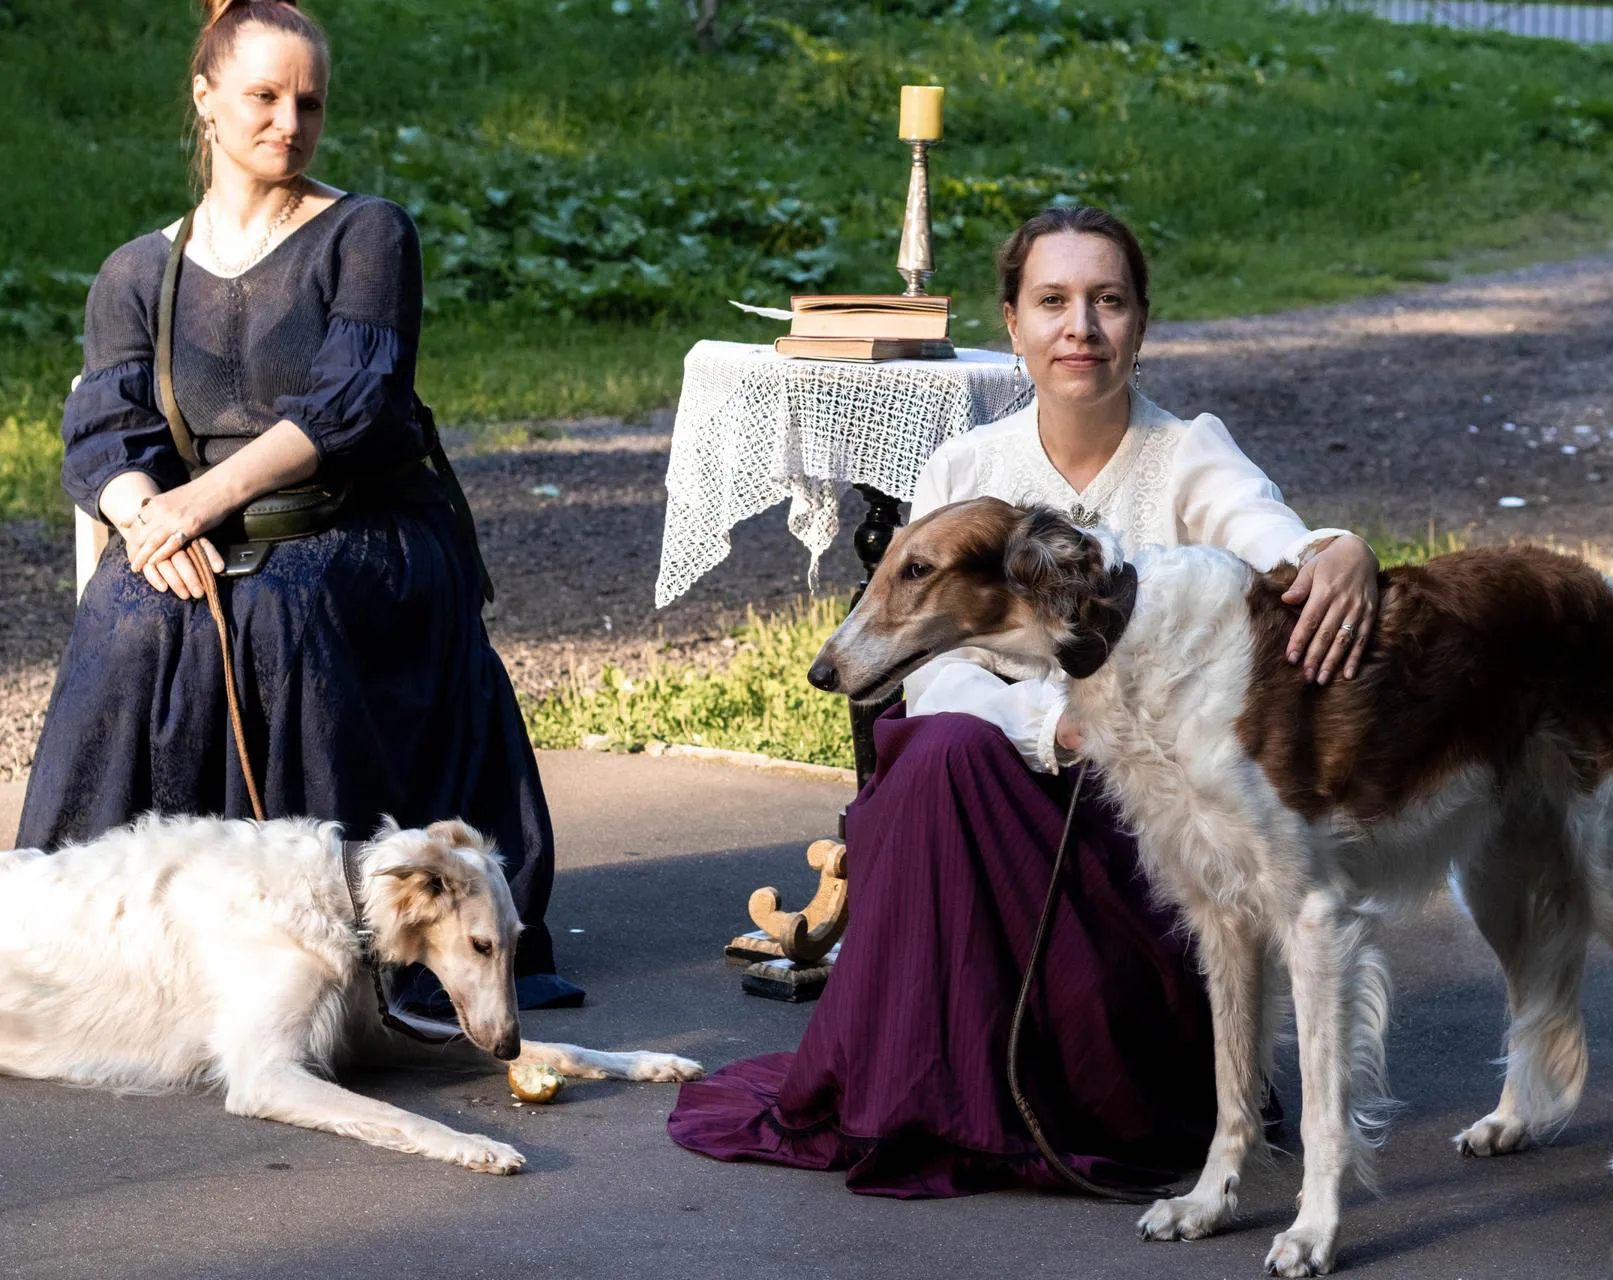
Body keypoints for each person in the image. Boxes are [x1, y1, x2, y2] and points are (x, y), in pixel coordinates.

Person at [668, 206, 1380, 1196]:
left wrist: (1332, 551)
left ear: (1141, 322)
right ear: (1012, 324)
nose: (1080, 326)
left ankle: (1129, 1078)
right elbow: (928, 668)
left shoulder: (1187, 451)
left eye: (1108, 300)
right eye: (1052, 301)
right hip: (996, 804)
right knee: (938, 750)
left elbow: (1264, 533)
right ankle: (929, 1091)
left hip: (1150, 836)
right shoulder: (967, 472)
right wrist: (1055, 725)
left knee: (962, 760)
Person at [17, 0, 581, 1010]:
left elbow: (351, 407)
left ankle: (331, 955)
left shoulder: (366, 235)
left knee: (282, 607)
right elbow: (106, 430)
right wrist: (146, 518)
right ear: (206, 101)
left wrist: (195, 504)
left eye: (307, 101)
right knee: (126, 609)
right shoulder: (138, 271)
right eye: (263, 96)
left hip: (363, 526)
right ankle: (71, 943)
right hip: (199, 522)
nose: (288, 121)